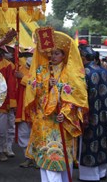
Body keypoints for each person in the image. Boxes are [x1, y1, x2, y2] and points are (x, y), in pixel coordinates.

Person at [24, 30, 88, 182]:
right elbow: (33, 88)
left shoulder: (70, 73)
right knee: (46, 160)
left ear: (64, 55)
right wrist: (46, 85)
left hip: (62, 121)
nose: (53, 56)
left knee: (62, 160)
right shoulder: (42, 70)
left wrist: (65, 111)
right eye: (51, 53)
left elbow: (77, 96)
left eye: (57, 53)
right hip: (44, 121)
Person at [78, 45, 107, 181]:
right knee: (103, 141)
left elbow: (80, 97)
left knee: (90, 142)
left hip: (90, 113)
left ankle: (90, 176)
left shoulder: (83, 73)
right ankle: (102, 172)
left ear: (82, 58)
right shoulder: (103, 71)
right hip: (104, 113)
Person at [0, 41, 17, 162]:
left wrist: (12, 102)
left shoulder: (8, 65)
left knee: (3, 129)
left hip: (3, 102)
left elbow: (11, 85)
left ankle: (3, 149)